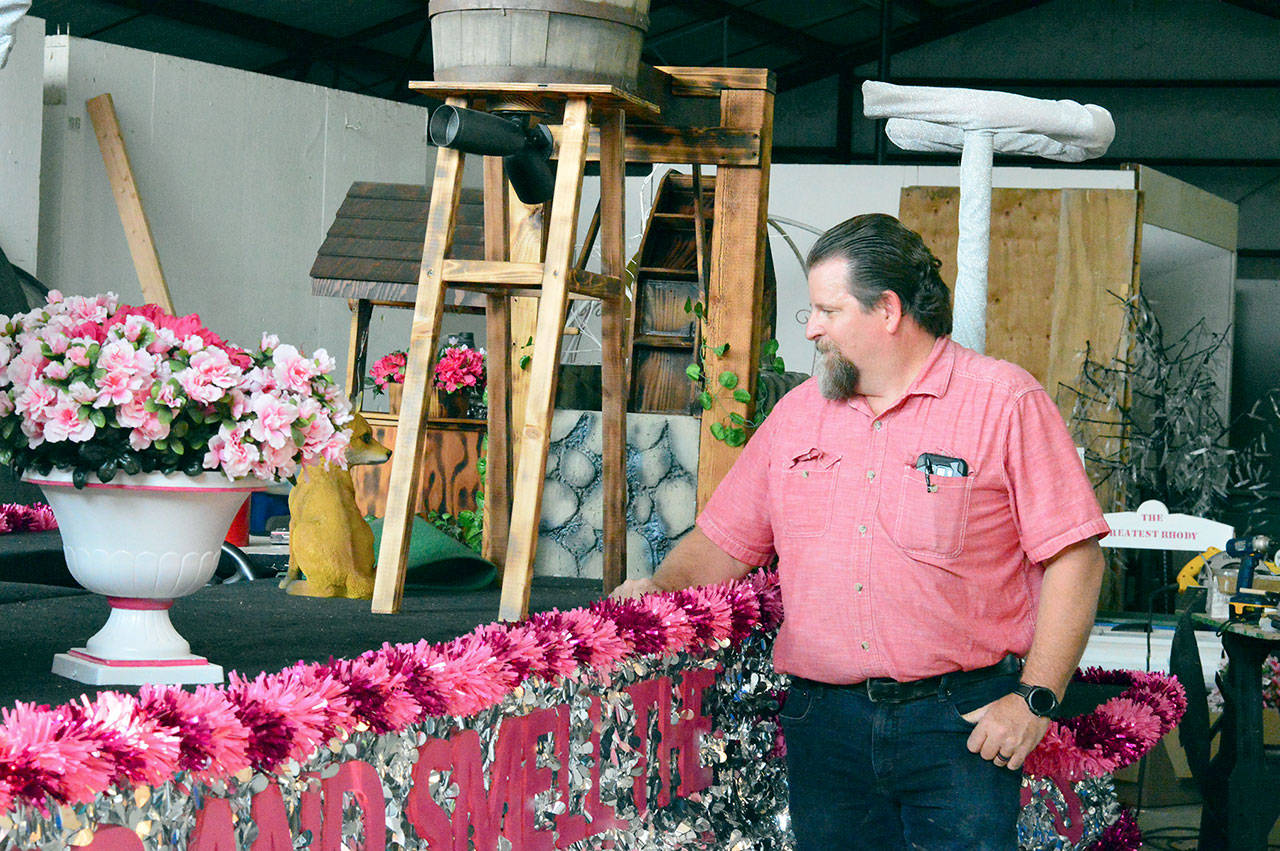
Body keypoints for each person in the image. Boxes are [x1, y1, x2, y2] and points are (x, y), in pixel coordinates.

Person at [612, 213, 1107, 850]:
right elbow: (725, 542)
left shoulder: (1003, 402)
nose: (811, 328)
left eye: (828, 310)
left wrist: (1034, 698)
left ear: (888, 310)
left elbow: (1075, 558)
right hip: (826, 725)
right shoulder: (797, 416)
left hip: (963, 723)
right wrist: (656, 590)